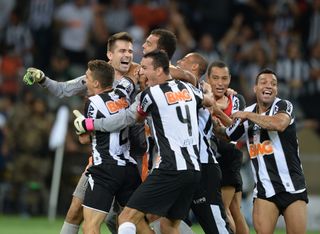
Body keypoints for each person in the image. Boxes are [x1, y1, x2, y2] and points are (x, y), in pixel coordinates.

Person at [23, 32, 142, 234]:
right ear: (109, 55)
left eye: (130, 51)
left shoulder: (141, 74)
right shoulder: (95, 78)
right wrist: (43, 79)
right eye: (122, 50)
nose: (128, 55)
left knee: (128, 219)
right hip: (102, 159)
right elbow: (62, 90)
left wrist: (89, 125)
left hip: (135, 155)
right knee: (75, 211)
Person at [117, 50, 214, 234]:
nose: (141, 72)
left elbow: (136, 117)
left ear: (160, 70)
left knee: (126, 218)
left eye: (145, 68)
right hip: (193, 169)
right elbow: (208, 101)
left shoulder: (150, 94)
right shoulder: (189, 89)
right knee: (169, 226)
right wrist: (207, 90)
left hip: (170, 167)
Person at [213, 68, 308, 234]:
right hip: (265, 191)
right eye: (264, 82)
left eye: (273, 84)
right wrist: (212, 115)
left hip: (292, 187)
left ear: (277, 90)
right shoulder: (248, 111)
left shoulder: (283, 105)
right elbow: (228, 134)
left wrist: (248, 116)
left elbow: (279, 124)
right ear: (255, 88)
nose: (269, 86)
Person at [75, 59, 141, 234]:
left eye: (87, 77)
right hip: (129, 168)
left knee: (90, 225)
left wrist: (79, 124)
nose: (84, 81)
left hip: (105, 168)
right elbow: (133, 74)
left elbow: (83, 138)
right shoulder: (123, 94)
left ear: (96, 83)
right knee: (137, 225)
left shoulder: (92, 102)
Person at [177, 53, 232, 233]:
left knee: (216, 225)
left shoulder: (196, 91)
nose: (178, 63)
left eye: (183, 60)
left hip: (204, 165)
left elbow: (164, 70)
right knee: (168, 224)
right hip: (181, 166)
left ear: (193, 68)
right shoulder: (200, 90)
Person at [207, 61, 249, 234]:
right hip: (212, 156)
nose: (220, 83)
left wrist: (217, 111)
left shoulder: (236, 99)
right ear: (207, 79)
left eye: (224, 78)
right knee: (234, 211)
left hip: (228, 156)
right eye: (215, 78)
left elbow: (236, 129)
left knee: (223, 211)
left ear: (230, 79)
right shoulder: (200, 95)